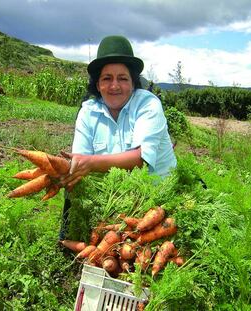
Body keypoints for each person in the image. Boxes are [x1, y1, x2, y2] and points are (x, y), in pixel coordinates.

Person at [58, 35, 176, 239]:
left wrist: (91, 163)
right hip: (114, 198)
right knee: (73, 192)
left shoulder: (148, 104)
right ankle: (73, 241)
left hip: (157, 200)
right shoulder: (88, 111)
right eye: (107, 78)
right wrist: (66, 172)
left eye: (122, 78)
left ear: (132, 83)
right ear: (97, 85)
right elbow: (80, 162)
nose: (115, 86)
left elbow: (141, 159)